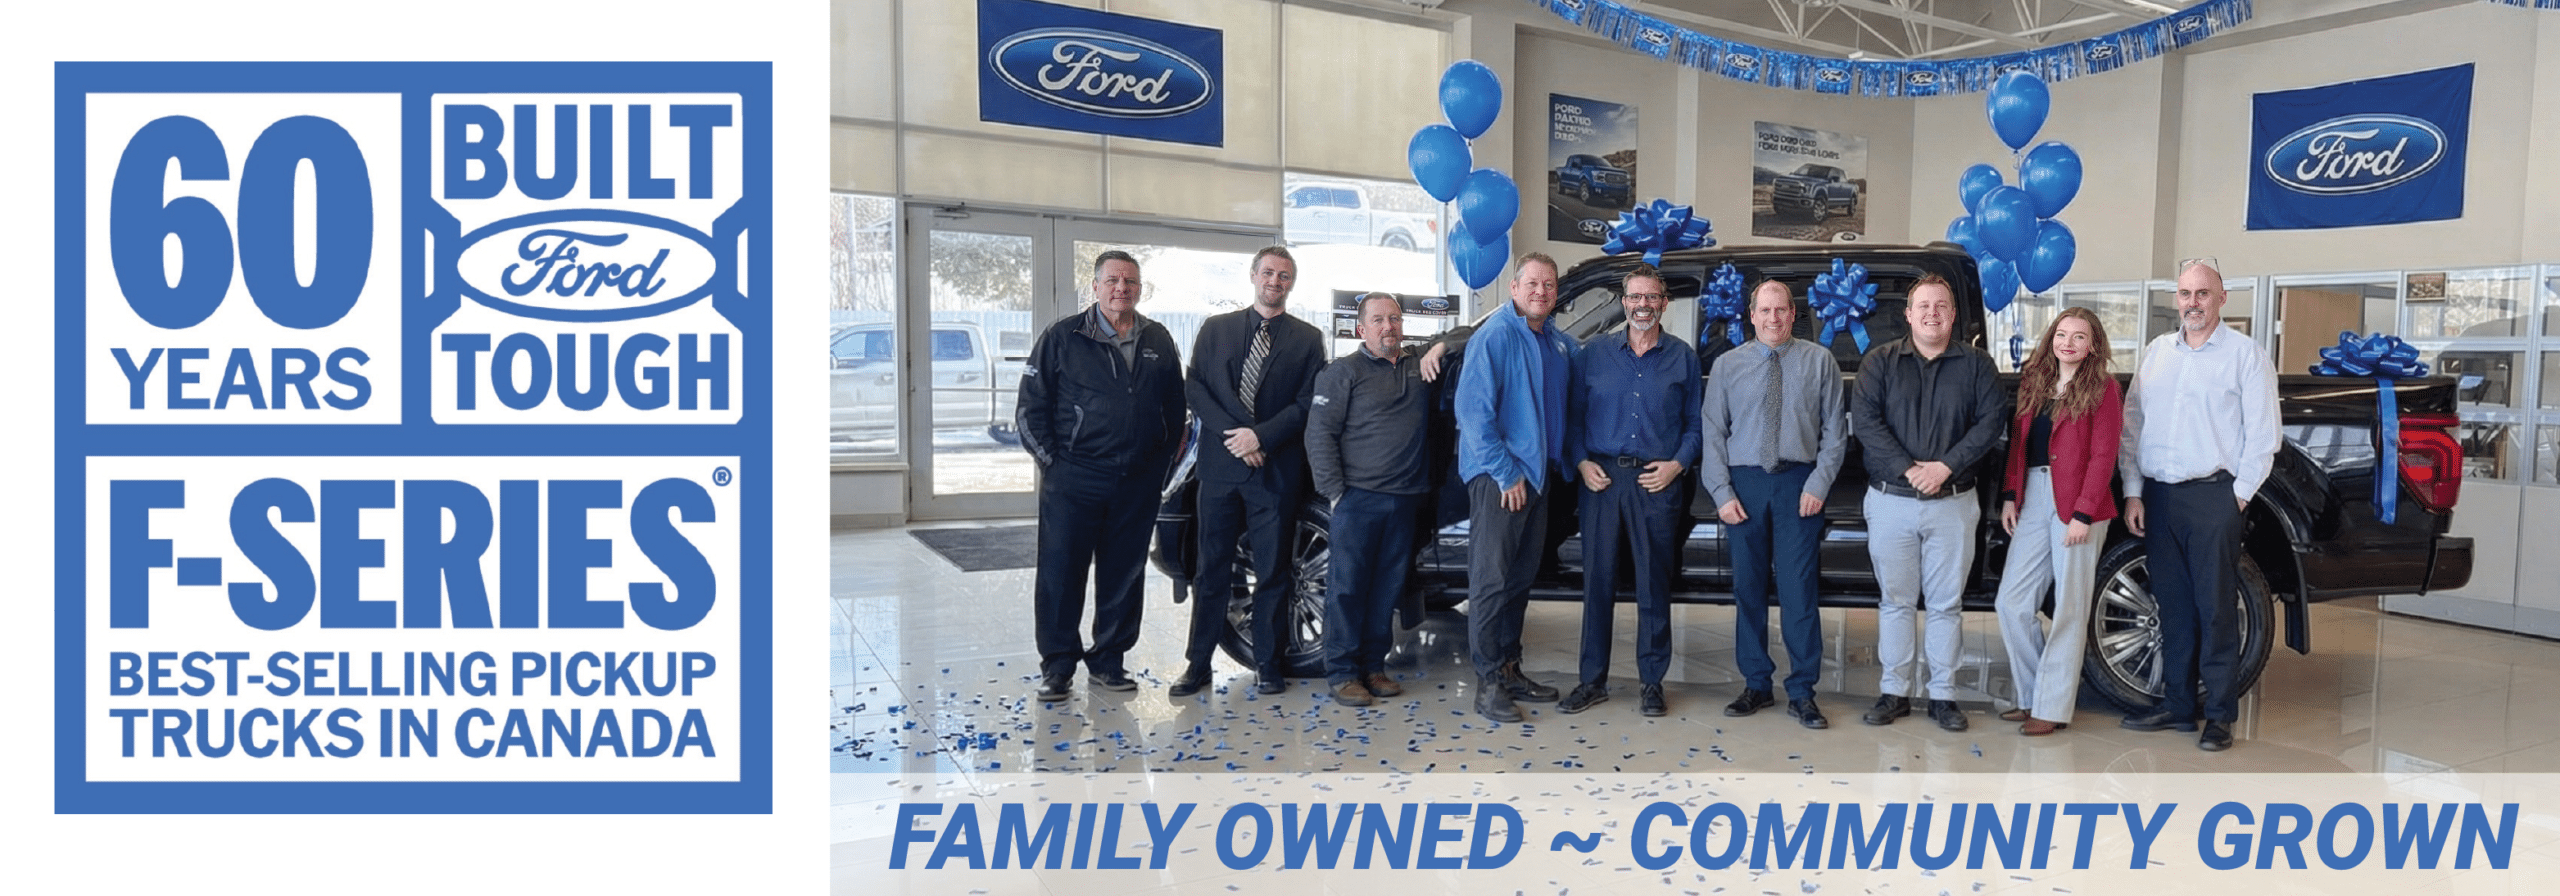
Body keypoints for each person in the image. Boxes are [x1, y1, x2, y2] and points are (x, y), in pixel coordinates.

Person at [2117, 259, 2280, 751]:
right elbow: (2132, 425)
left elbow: (2264, 435)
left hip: (2215, 496)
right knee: (2173, 608)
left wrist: (2239, 495)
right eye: (2185, 293)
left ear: (2222, 298)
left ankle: (2220, 715)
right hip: (2160, 497)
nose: (2192, 303)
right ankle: (2178, 706)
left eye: (2202, 293)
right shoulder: (2157, 352)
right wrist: (2132, 489)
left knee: (2215, 610)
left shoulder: (2245, 356)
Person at [1015, 250, 1187, 703]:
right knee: (1060, 574)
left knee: (1123, 575)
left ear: (1139, 288)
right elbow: (1031, 408)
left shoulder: (1158, 338)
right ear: (1095, 286)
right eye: (1112, 280)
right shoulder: (1062, 337)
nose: (1121, 289)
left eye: (1130, 281)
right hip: (1075, 478)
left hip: (1137, 482)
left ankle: (1109, 661)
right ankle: (1057, 666)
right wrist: (1053, 464)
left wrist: (1159, 466)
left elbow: (1175, 407)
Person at [1848, 274, 2005, 732]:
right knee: (1895, 602)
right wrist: (1911, 469)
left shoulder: (1977, 365)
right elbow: (1867, 423)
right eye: (1924, 306)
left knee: (1945, 604)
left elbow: (1990, 422)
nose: (1932, 313)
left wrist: (1944, 468)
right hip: (1892, 499)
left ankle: (1943, 697)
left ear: (1953, 315)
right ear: (1909, 314)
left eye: (1941, 306)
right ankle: (1893, 691)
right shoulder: (1879, 362)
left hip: (1953, 502)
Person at [1173, 247, 1326, 698]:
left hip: (1274, 472)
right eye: (1268, 272)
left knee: (1275, 572)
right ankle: (1197, 665)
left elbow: (1306, 404)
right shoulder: (1215, 329)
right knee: (1211, 570)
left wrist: (1260, 438)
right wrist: (1237, 436)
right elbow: (1194, 387)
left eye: (1284, 275)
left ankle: (1268, 664)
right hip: (1220, 470)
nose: (1274, 281)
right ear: (1253, 275)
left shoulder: (1307, 338)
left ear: (1291, 283)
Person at [1698, 279, 1847, 729]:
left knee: (1799, 592)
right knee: (1748, 589)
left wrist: (1819, 484)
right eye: (1765, 311)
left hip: (1799, 485)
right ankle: (1756, 684)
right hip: (1744, 486)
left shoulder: (1820, 361)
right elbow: (1712, 434)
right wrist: (1721, 493)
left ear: (1793, 313)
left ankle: (1802, 690)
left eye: (1781, 310)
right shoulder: (1727, 366)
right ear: (1751, 314)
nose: (1773, 319)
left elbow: (1835, 434)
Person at [1557, 265, 1700, 718]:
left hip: (1657, 483)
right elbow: (1573, 418)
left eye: (1651, 297)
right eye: (1635, 297)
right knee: (1596, 583)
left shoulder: (1683, 357)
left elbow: (1696, 425)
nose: (1643, 305)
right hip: (1601, 482)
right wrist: (1580, 461)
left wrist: (1677, 464)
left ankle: (1652, 682)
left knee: (1653, 586)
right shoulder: (1593, 354)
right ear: (1624, 302)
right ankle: (1591, 680)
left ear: (1664, 303)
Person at [1453, 253, 1580, 722]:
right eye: (1533, 284)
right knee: (1491, 582)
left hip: (1537, 479)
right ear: (1513, 287)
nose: (1541, 292)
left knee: (1519, 581)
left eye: (1549, 285)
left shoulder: (1554, 342)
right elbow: (1473, 415)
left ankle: (1508, 667)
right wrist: (1506, 474)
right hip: (1501, 479)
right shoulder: (1496, 336)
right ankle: (1487, 684)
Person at [1995, 308, 2125, 736]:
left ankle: (2051, 708)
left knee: (2070, 607)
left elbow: (2104, 455)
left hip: (2077, 504)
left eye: (2079, 337)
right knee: (2011, 603)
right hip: (2034, 496)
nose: (2068, 343)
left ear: (2093, 345)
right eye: (2062, 334)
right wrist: (2012, 494)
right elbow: (2020, 445)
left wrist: (2084, 512)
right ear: (2052, 337)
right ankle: (2033, 696)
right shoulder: (2035, 382)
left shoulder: (2103, 389)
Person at [1305, 293, 1434, 707]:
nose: (1388, 327)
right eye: (1378, 320)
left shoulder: (1418, 367)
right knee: (1348, 588)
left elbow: (1465, 336)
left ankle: (1373, 667)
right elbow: (1319, 434)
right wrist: (1335, 493)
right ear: (1361, 329)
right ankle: (1342, 672)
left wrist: (1444, 346)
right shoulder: (1342, 372)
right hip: (1358, 499)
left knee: (1387, 588)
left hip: (1405, 500)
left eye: (1394, 319)